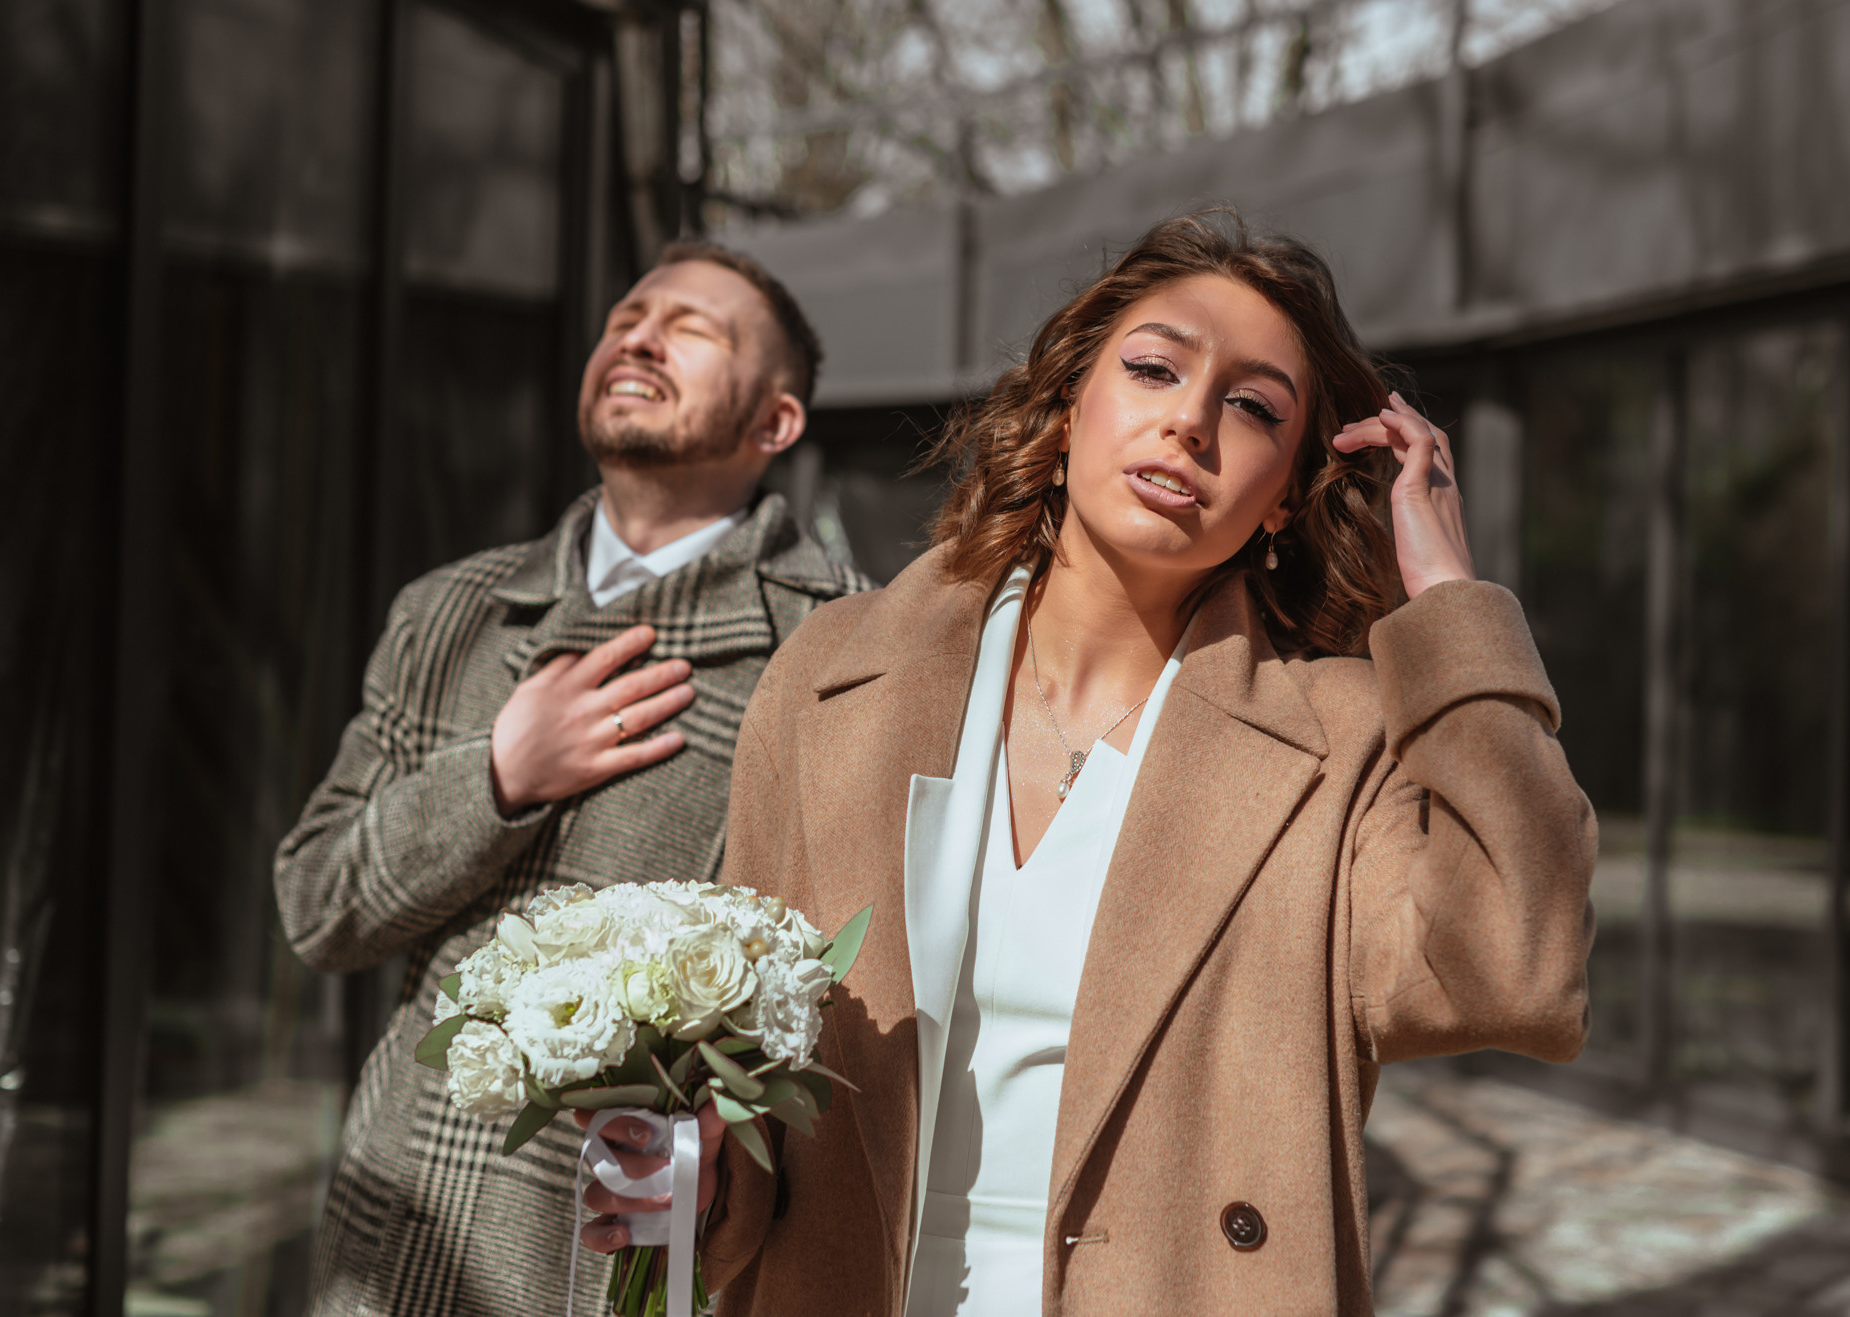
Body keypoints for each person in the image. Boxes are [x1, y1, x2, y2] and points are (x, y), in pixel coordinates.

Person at [580, 208, 1596, 1315]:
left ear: (1287, 494)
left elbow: (1518, 968)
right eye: (1155, 369)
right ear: (1067, 409)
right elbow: (755, 1078)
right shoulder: (834, 681)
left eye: (1252, 407)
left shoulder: (1337, 744)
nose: (1191, 423)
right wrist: (694, 1183)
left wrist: (1447, 594)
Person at [273, 240, 868, 1317]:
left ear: (775, 423)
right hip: (395, 1235)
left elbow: (859, 987)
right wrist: (497, 775)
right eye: (626, 316)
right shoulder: (448, 611)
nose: (637, 334)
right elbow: (317, 909)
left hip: (628, 1248)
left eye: (694, 327)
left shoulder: (839, 650)